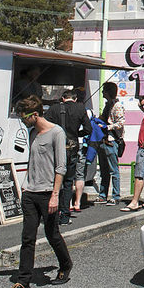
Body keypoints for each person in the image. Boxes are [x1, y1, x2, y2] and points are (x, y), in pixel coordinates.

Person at [3, 95, 73, 288]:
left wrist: (54, 196)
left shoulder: (56, 133)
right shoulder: (32, 132)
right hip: (30, 192)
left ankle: (66, 264)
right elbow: (33, 162)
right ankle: (23, 280)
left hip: (47, 193)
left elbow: (61, 167)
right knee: (28, 237)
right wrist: (24, 187)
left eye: (24, 117)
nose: (23, 122)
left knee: (52, 235)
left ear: (34, 114)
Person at [46, 89, 91, 225]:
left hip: (55, 148)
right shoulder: (80, 108)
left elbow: (45, 126)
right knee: (67, 182)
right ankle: (65, 215)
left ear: (63, 98)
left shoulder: (54, 109)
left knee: (53, 180)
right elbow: (88, 129)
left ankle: (51, 213)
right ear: (75, 99)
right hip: (72, 148)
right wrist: (77, 134)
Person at [94, 82, 123, 205]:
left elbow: (121, 122)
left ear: (108, 92)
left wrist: (108, 127)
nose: (102, 93)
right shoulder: (107, 105)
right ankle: (103, 195)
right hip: (103, 140)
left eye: (104, 91)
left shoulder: (117, 106)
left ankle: (116, 196)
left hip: (111, 140)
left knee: (113, 169)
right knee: (104, 170)